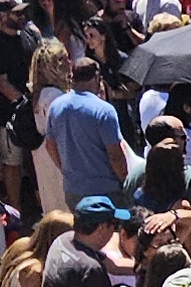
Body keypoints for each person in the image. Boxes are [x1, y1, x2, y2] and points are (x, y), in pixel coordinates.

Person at [46, 69, 129, 211]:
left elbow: (50, 146)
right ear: (97, 78)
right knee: (117, 227)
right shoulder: (104, 110)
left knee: (84, 231)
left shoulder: (56, 106)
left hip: (73, 192)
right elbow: (115, 155)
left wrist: (67, 171)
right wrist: (124, 180)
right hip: (106, 193)